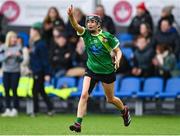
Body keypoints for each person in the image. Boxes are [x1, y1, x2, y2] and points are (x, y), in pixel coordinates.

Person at [67, 5, 131, 133]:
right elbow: (76, 26)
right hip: (91, 70)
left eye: (92, 22)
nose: (89, 24)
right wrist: (71, 16)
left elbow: (118, 51)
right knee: (84, 95)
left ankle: (124, 111)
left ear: (98, 25)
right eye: (88, 22)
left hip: (107, 71)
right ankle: (78, 123)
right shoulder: (85, 34)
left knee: (110, 99)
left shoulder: (107, 37)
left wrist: (118, 59)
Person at [29, 22, 54, 116]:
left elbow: (45, 60)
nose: (30, 32)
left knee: (35, 90)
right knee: (41, 91)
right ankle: (50, 108)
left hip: (40, 72)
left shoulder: (41, 44)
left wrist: (47, 73)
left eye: (32, 30)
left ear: (36, 32)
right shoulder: (34, 44)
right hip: (35, 71)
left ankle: (35, 111)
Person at [0, 31, 23, 117]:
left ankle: (15, 109)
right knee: (6, 90)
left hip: (15, 72)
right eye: (13, 37)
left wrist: (18, 56)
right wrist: (7, 55)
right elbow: (1, 59)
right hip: (6, 71)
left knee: (14, 89)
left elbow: (22, 60)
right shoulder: (3, 47)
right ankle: (7, 109)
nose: (14, 39)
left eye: (15, 37)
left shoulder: (18, 47)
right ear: (8, 39)